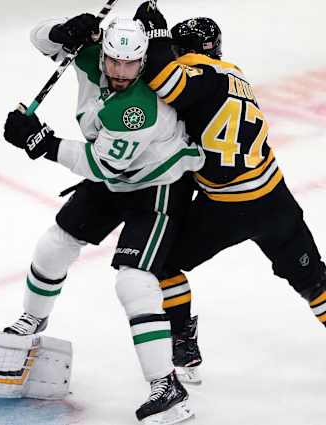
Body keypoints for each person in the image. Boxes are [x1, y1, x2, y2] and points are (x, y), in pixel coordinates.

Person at [2, 15, 205, 425]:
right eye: (113, 62)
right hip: (116, 178)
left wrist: (42, 143)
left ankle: (166, 385)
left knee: (134, 281)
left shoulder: (140, 107)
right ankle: (32, 319)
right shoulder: (96, 59)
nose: (120, 72)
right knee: (54, 244)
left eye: (130, 65)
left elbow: (102, 165)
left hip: (158, 184)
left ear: (143, 60)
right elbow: (38, 41)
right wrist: (60, 31)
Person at [132, 2, 326, 371]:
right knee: (315, 282)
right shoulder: (234, 75)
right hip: (275, 200)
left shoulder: (198, 75)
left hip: (225, 209)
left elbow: (163, 79)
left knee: (162, 263)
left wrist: (155, 33)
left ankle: (182, 340)